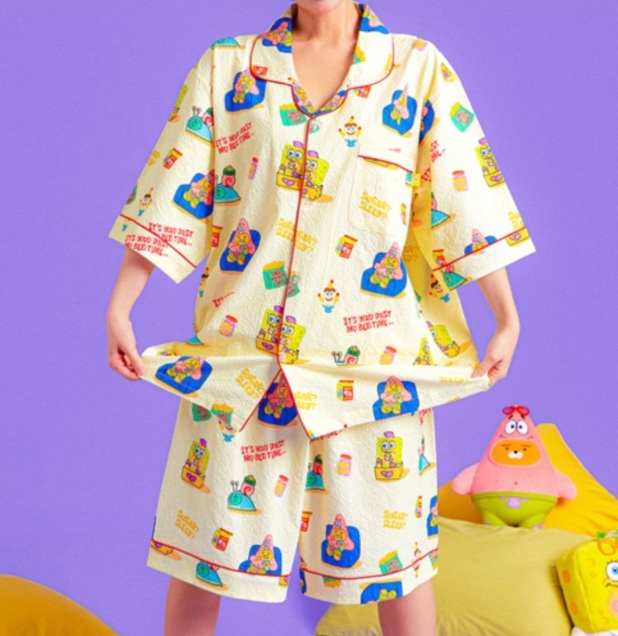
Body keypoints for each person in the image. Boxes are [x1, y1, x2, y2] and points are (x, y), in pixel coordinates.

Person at [106, 1, 536, 634]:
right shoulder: (229, 67)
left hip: (375, 372)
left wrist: (506, 314)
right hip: (243, 366)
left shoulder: (415, 69)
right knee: (197, 565)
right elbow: (174, 192)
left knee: (400, 570)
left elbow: (461, 198)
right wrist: (122, 304)